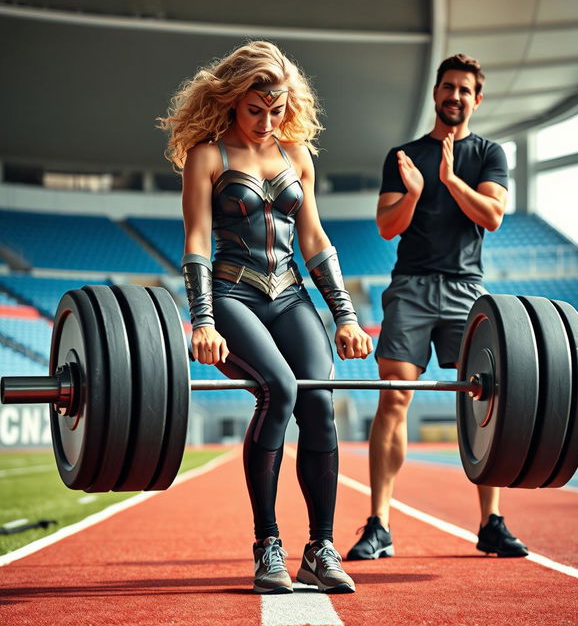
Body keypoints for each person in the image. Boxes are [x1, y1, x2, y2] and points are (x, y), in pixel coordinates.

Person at [159, 41, 373, 594]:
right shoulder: (208, 157)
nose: (266, 120)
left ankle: (320, 549)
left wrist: (346, 316)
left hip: (291, 295)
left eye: (276, 109)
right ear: (232, 100)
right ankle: (267, 545)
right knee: (278, 389)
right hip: (232, 296)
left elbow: (315, 239)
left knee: (320, 401)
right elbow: (198, 242)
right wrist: (202, 322)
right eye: (256, 109)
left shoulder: (297, 153)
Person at [346, 54, 528, 561]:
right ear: (435, 93)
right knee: (394, 397)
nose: (455, 95)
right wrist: (418, 191)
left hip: (467, 289)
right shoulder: (402, 155)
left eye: (464, 89)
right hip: (410, 288)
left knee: (486, 400)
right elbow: (387, 226)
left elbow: (492, 216)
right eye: (447, 86)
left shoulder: (490, 154)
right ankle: (379, 524)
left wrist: (451, 182)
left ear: (477, 98)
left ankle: (491, 522)